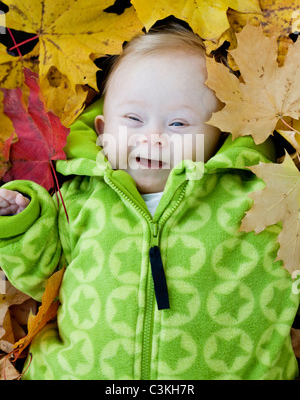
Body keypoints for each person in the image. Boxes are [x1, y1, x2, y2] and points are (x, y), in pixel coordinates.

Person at [0, 23, 299, 380]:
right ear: (101, 130)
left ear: (221, 136)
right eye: (133, 119)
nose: (153, 136)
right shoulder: (79, 200)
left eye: (177, 123)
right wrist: (22, 221)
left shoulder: (259, 195)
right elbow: (39, 274)